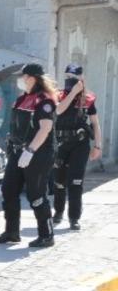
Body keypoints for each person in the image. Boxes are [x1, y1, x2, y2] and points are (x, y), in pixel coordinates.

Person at [0, 63, 58, 248]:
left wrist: (30, 151)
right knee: (9, 190)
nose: (21, 79)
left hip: (38, 153)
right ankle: (12, 232)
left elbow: (45, 129)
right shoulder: (23, 99)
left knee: (36, 194)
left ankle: (46, 235)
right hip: (18, 151)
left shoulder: (44, 100)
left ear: (33, 78)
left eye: (24, 76)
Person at [52, 63, 102, 231]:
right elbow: (58, 111)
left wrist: (98, 146)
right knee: (59, 182)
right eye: (67, 77)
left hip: (80, 145)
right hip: (61, 144)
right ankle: (58, 212)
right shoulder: (58, 95)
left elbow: (95, 123)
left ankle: (74, 217)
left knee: (75, 181)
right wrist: (72, 92)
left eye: (74, 78)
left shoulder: (88, 98)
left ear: (81, 78)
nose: (70, 80)